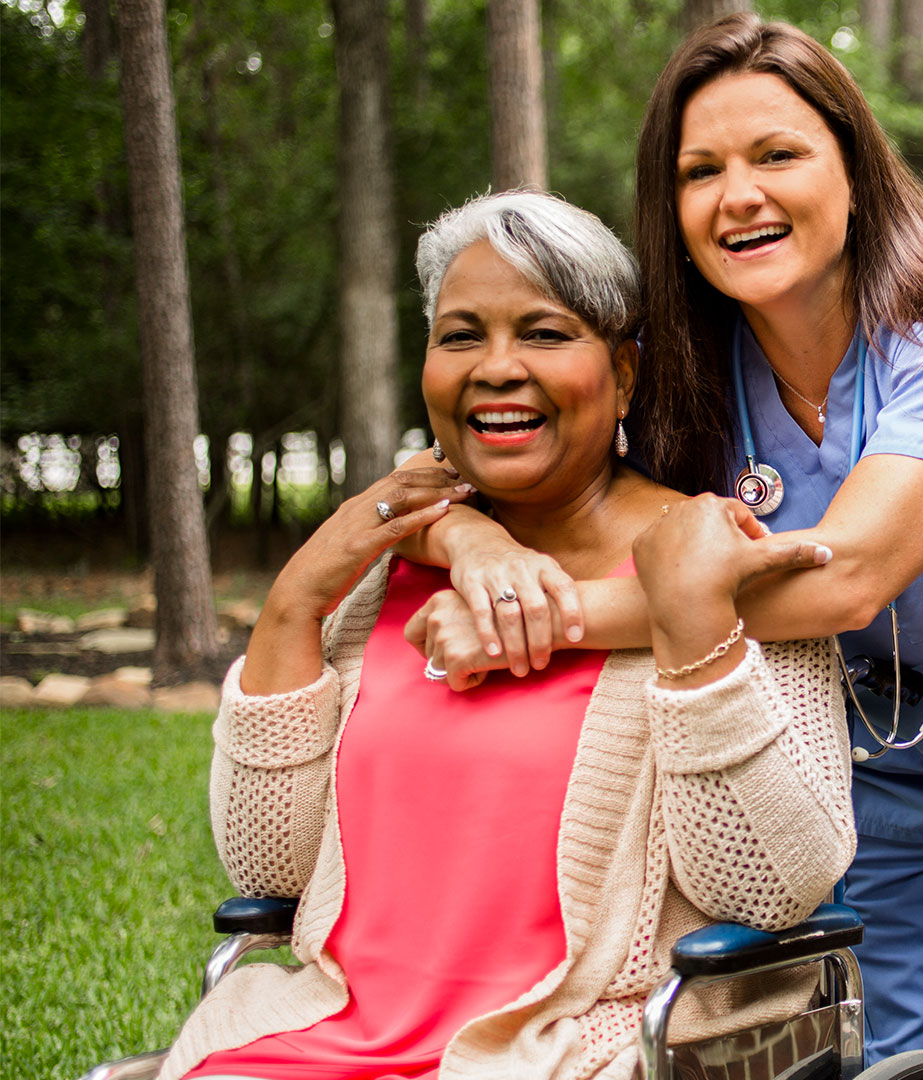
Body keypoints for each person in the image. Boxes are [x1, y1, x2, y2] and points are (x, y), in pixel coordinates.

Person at [405, 16, 923, 1080]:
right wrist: (470, 542)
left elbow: (847, 577)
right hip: (868, 786)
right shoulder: (692, 376)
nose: (740, 195)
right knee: (872, 1067)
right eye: (702, 171)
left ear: (856, 173)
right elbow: (470, 461)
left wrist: (544, 622)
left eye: (776, 154)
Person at [160, 189, 856, 1080]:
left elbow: (770, 887)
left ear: (625, 375)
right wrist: (296, 599)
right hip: (334, 1032)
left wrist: (695, 636)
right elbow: (269, 867)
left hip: (584, 1044)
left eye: (543, 333)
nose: (496, 367)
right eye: (460, 335)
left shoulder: (713, 561)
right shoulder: (376, 577)